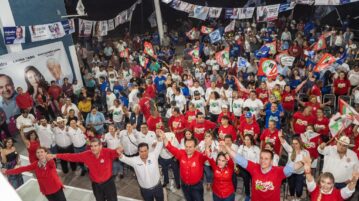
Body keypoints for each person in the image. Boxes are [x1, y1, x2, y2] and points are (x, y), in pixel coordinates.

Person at [222, 140, 306, 201]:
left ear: (272, 161)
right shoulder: (254, 168)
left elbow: (292, 167)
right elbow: (240, 159)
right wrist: (226, 147)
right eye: (261, 158)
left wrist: (303, 162)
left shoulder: (278, 171)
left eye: (266, 159)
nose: (263, 161)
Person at [47, 138, 121, 201]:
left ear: (100, 146)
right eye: (91, 146)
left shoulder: (107, 152)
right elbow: (71, 156)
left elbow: (117, 152)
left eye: (95, 146)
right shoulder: (86, 155)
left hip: (108, 184)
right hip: (96, 185)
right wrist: (56, 155)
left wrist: (120, 150)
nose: (93, 148)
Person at [2, 147, 67, 201]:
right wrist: (7, 171)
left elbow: (51, 163)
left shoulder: (50, 161)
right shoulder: (35, 164)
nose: (39, 153)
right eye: (38, 152)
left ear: (46, 153)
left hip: (56, 188)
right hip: (46, 190)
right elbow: (22, 169)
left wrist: (48, 157)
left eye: (42, 152)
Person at [119, 130, 164, 201]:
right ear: (138, 152)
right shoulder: (134, 160)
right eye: (141, 151)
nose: (144, 153)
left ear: (148, 150)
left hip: (158, 187)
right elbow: (123, 158)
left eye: (145, 151)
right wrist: (118, 152)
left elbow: (160, 143)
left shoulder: (154, 155)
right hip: (145, 190)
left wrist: (159, 135)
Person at [162, 133, 206, 201]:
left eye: (190, 147)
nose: (188, 149)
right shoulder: (181, 153)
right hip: (184, 185)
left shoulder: (199, 156)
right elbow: (170, 147)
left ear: (195, 147)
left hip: (196, 186)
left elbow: (208, 156)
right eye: (186, 146)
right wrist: (164, 138)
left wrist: (208, 146)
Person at [278, 131, 309, 201]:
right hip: (291, 173)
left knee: (299, 190)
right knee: (291, 188)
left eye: (296, 144)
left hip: (300, 173)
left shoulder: (305, 152)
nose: (294, 145)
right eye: (293, 143)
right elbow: (284, 143)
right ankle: (292, 197)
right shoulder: (290, 150)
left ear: (300, 144)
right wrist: (280, 136)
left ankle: (298, 197)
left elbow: (307, 162)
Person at [237, 134, 260, 201]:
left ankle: (255, 194)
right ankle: (247, 194)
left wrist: (256, 168)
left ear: (251, 140)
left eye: (248, 140)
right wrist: (242, 147)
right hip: (244, 167)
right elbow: (238, 157)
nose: (246, 141)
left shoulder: (256, 148)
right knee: (246, 178)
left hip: (254, 167)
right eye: (245, 139)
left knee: (255, 179)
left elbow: (258, 160)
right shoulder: (242, 147)